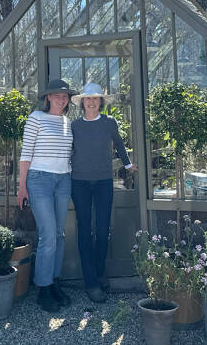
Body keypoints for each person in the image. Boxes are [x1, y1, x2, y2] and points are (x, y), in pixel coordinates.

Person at [70, 83, 137, 303]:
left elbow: (118, 143)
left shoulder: (109, 123)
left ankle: (100, 272)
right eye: (87, 99)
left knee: (102, 230)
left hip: (103, 183)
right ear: (82, 103)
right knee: (84, 231)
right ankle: (91, 282)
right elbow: (67, 150)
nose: (91, 102)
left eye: (95, 99)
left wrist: (127, 165)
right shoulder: (74, 126)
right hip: (79, 182)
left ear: (100, 102)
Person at [17, 79, 76, 313]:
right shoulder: (36, 118)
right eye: (57, 95)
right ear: (48, 97)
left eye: (66, 96)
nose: (62, 99)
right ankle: (43, 288)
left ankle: (54, 282)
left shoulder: (67, 122)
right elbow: (25, 154)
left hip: (64, 180)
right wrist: (22, 187)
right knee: (48, 235)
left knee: (59, 234)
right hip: (39, 180)